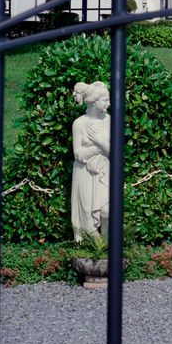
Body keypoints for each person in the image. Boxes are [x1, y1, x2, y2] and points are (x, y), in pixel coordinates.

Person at [70, 81, 110, 243]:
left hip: (105, 171)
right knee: (87, 217)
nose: (109, 103)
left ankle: (108, 246)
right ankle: (95, 248)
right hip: (85, 173)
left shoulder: (110, 120)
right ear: (94, 102)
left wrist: (100, 142)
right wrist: (98, 148)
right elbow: (78, 154)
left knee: (107, 211)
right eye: (105, 100)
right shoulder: (79, 124)